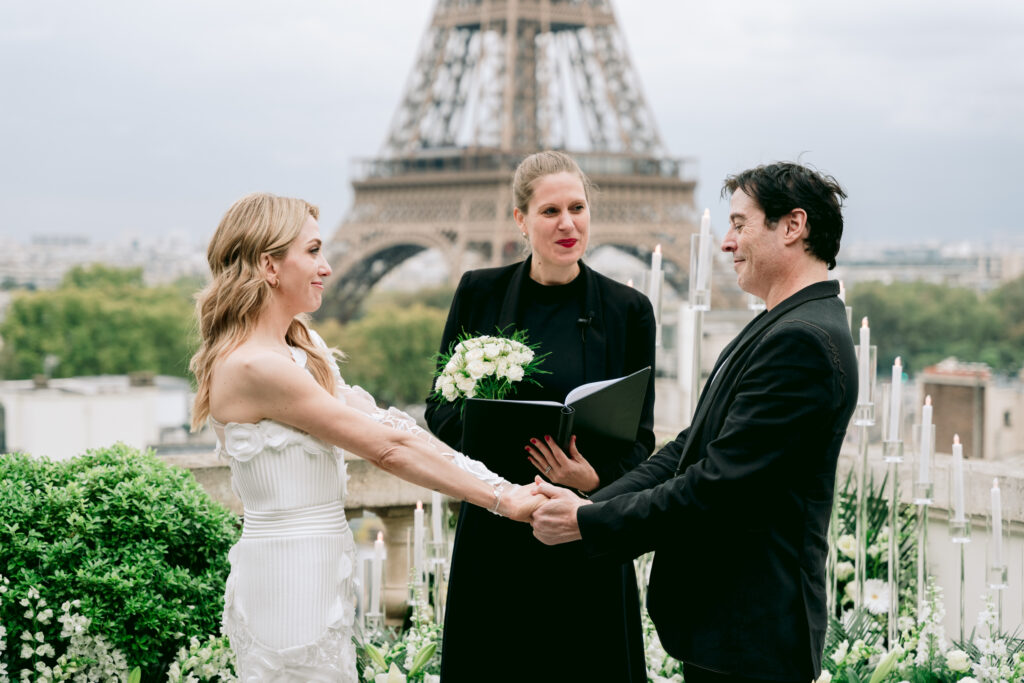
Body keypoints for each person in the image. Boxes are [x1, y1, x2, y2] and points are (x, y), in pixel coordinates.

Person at [189, 193, 545, 682]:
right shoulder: (255, 366)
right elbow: (386, 448)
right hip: (287, 579)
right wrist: (504, 500)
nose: (327, 267)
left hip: (322, 568)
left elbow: (395, 430)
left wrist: (502, 488)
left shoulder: (302, 346)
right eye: (312, 251)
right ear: (270, 265)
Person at [530, 162, 857, 683]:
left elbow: (719, 485)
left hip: (750, 633)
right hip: (732, 630)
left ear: (793, 227)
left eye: (739, 224)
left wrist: (588, 522)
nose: (725, 243)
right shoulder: (784, 325)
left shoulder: (801, 341)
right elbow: (690, 447)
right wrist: (593, 503)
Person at [425, 151, 656, 682]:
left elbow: (639, 443)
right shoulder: (478, 293)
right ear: (520, 220)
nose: (568, 223)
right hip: (497, 529)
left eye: (578, 207)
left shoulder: (628, 310)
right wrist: (490, 438)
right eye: (550, 211)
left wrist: (593, 479)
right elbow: (437, 410)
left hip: (582, 531)